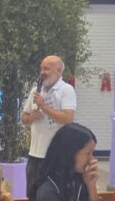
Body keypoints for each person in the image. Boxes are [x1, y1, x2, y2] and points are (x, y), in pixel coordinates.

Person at [29, 123, 104, 201]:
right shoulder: (48, 190)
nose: (91, 159)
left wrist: (91, 187)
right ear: (70, 153)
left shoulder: (78, 180)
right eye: (88, 153)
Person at [22, 56, 77, 192]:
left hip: (56, 156)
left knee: (52, 195)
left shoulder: (66, 90)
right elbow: (24, 118)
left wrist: (44, 106)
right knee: (32, 193)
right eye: (41, 68)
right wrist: (31, 117)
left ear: (58, 71)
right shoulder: (35, 91)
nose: (42, 72)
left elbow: (68, 118)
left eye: (47, 69)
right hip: (35, 153)